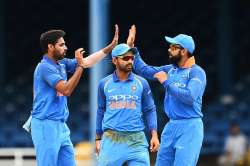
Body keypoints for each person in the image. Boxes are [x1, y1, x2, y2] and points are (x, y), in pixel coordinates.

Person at [30, 25, 118, 166]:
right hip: (45, 124)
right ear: (50, 47)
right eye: (61, 45)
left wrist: (110, 47)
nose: (66, 47)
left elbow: (86, 62)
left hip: (60, 125)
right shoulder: (44, 67)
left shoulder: (61, 64)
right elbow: (66, 90)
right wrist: (80, 66)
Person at [127, 25, 207, 166]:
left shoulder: (197, 72)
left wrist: (166, 82)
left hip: (190, 126)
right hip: (171, 126)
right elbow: (144, 70)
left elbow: (189, 97)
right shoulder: (170, 70)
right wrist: (133, 49)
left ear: (184, 51)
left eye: (174, 47)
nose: (169, 50)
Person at [95, 43, 160, 166]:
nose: (130, 61)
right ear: (114, 60)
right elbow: (100, 111)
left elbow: (150, 110)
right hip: (111, 140)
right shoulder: (104, 83)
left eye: (132, 58)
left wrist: (154, 135)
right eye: (125, 58)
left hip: (136, 140)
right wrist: (98, 139)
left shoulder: (142, 83)